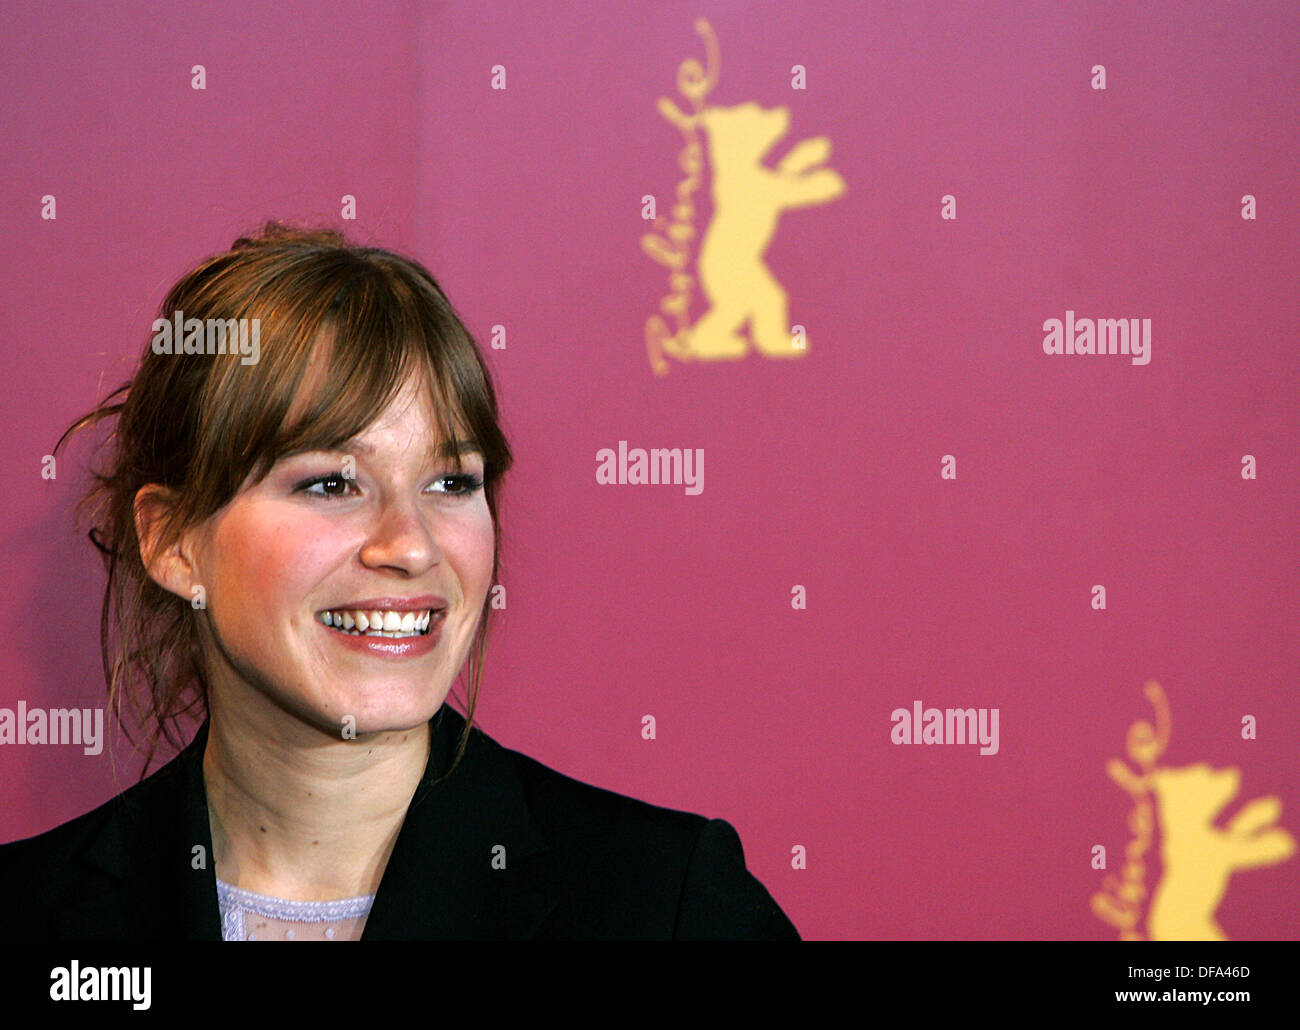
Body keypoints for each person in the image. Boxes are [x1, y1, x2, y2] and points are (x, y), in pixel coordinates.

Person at [0, 223, 799, 941]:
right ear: (173, 541)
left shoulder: (668, 908)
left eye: (452, 483)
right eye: (331, 483)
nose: (410, 546)